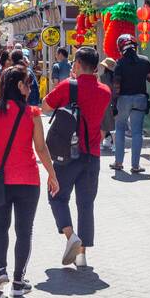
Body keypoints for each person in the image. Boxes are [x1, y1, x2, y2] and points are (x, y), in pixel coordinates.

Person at [0, 66, 58, 297]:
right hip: (28, 180)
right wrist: (52, 174)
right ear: (19, 86)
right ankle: (18, 281)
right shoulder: (32, 113)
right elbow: (40, 148)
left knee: (0, 226)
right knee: (24, 230)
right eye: (28, 84)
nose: (30, 89)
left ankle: (0, 270)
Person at [43, 46, 111, 267]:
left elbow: (45, 106)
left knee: (56, 196)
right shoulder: (105, 91)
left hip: (67, 154)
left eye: (74, 63)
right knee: (86, 204)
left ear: (79, 65)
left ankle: (71, 236)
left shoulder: (68, 86)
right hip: (92, 155)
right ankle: (81, 255)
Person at [111, 34, 150, 174]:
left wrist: (114, 102)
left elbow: (116, 86)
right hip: (140, 99)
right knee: (137, 132)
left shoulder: (119, 63)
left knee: (120, 129)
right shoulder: (144, 61)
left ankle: (118, 163)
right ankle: (135, 166)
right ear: (135, 46)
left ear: (120, 47)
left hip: (124, 99)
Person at [97, 56, 118, 151]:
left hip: (105, 102)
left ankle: (100, 144)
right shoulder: (117, 78)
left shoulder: (102, 77)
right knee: (115, 125)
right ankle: (115, 145)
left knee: (103, 125)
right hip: (116, 102)